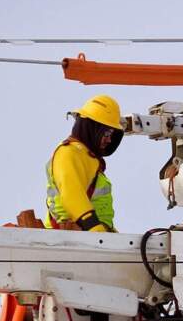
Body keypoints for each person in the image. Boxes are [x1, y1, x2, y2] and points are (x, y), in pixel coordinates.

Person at [44, 95, 124, 232]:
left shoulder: (86, 157)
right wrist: (92, 225)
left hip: (90, 235)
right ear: (92, 128)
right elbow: (72, 194)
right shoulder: (68, 152)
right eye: (107, 133)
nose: (109, 140)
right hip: (73, 236)